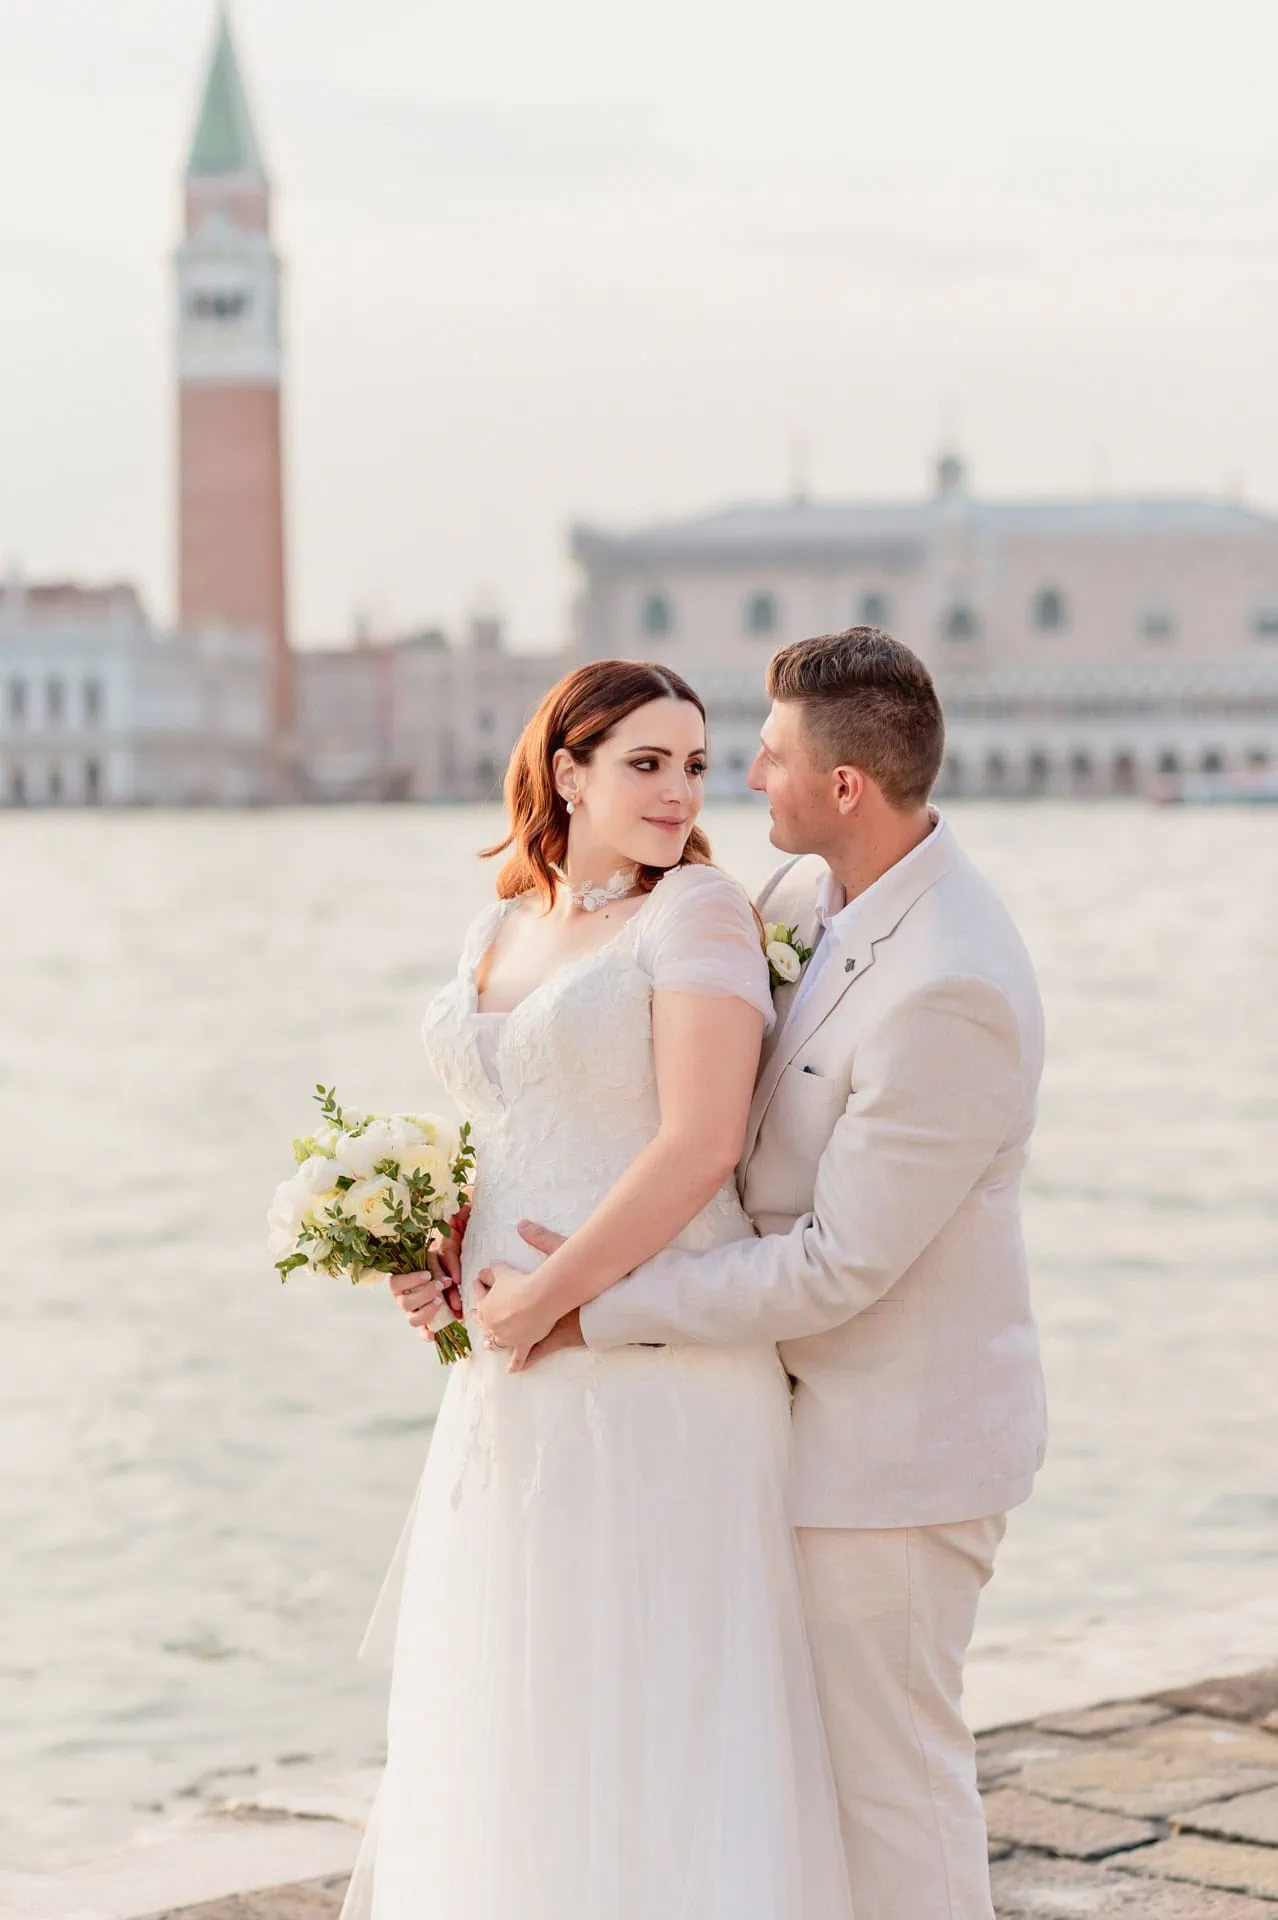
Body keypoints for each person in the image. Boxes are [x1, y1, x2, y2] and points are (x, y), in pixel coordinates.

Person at [466, 628, 1048, 1920]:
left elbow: (837, 1264)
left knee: (890, 1792)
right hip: (773, 1425)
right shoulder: (799, 903)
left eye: (762, 759)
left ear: (844, 788)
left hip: (898, 1450)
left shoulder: (952, 983)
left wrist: (591, 1311)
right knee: (785, 1787)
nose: (736, 787)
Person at [347, 658, 855, 1920]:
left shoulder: (699, 917)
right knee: (525, 1687)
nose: (680, 791)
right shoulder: (501, 924)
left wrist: (542, 1301)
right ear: (566, 772)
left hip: (649, 1359)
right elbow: (514, 1123)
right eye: (645, 762)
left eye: (693, 764)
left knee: (652, 1692)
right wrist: (443, 1257)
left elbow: (699, 1145)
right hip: (506, 1368)